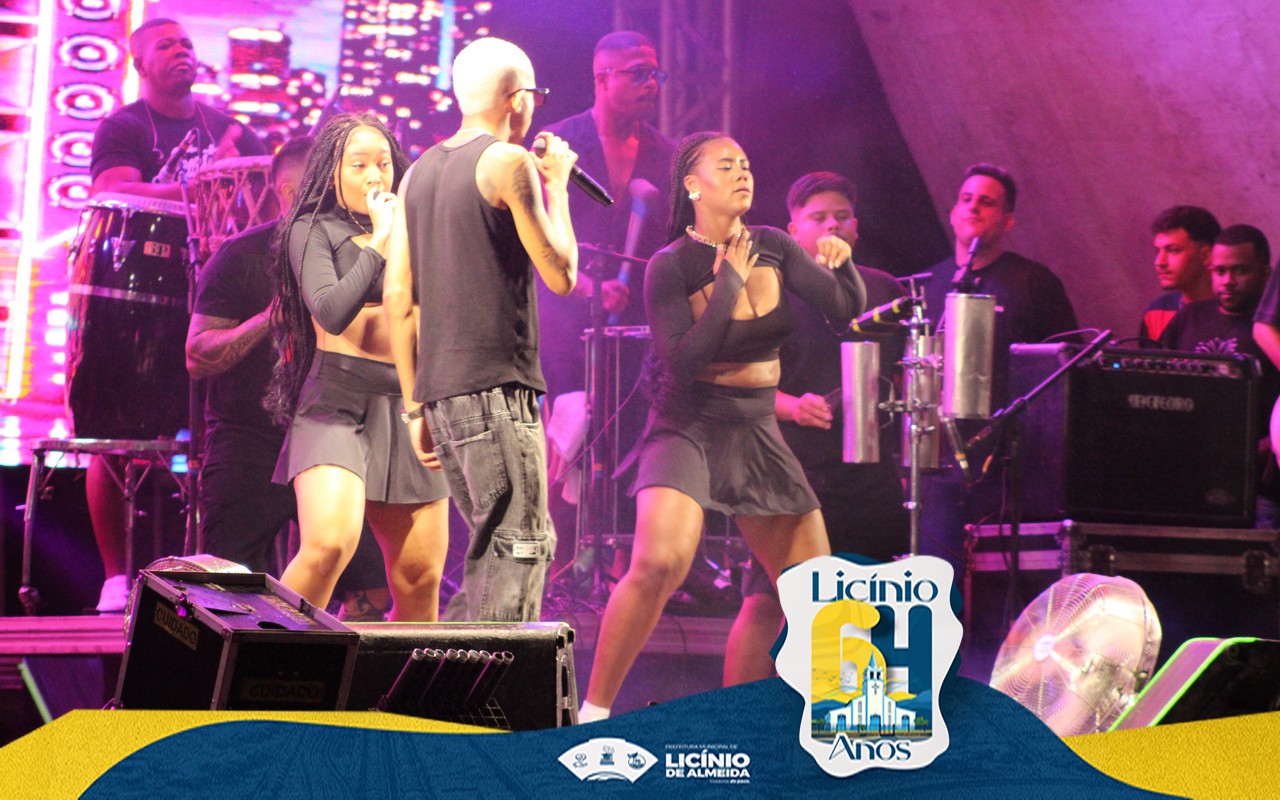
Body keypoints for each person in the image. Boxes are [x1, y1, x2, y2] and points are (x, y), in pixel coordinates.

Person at [578, 133, 867, 721]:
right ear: (692, 185)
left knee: (822, 592)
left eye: (747, 164)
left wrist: (845, 264)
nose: (743, 173)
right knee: (659, 564)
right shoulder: (670, 265)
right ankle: (591, 713)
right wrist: (728, 283)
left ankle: (841, 726)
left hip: (756, 429)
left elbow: (845, 308)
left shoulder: (776, 245)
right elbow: (684, 361)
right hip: (689, 425)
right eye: (727, 165)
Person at [383, 38, 578, 623]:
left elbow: (398, 298)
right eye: (535, 95)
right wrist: (558, 187)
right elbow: (563, 273)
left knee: (496, 551)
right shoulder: (507, 162)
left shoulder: (418, 172)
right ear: (518, 98)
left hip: (443, 392)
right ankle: (482, 680)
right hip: (496, 389)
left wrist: (415, 405)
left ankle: (450, 673)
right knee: (519, 548)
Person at [86, 16, 266, 613]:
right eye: (166, 44)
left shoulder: (226, 126)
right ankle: (115, 579)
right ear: (140, 63)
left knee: (220, 434)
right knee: (116, 436)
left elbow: (256, 193)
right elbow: (114, 190)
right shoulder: (124, 126)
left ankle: (217, 569)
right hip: (138, 296)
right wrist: (203, 187)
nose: (181, 51)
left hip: (213, 293)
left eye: (187, 43)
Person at [185, 137, 391, 618]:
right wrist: (267, 319)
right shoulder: (240, 255)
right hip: (250, 439)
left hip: (333, 435)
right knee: (229, 589)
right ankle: (256, 662)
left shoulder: (359, 252)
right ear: (289, 191)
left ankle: (324, 663)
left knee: (372, 590)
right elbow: (197, 356)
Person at [723, 171, 909, 685]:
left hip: (868, 474)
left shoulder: (884, 290)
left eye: (842, 217)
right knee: (770, 599)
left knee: (871, 598)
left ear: (856, 228)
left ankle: (848, 710)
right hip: (790, 467)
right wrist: (792, 407)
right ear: (793, 230)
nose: (832, 226)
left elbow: (904, 375)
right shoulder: (768, 290)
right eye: (819, 217)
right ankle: (735, 718)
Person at [264, 112, 449, 621]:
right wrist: (381, 239)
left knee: (420, 576)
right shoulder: (311, 229)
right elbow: (331, 310)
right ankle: (262, 658)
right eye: (359, 164)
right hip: (336, 402)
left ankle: (398, 676)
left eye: (384, 163)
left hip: (408, 404)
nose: (375, 175)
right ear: (332, 172)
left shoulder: (417, 227)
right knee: (328, 545)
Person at [537, 30, 676, 595]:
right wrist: (587, 288)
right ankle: (548, 573)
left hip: (636, 328)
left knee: (627, 446)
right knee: (563, 445)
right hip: (562, 326)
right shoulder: (556, 146)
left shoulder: (667, 154)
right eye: (638, 72)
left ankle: (619, 578)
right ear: (602, 78)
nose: (651, 83)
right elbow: (534, 238)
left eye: (655, 73)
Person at [919, 163, 1078, 578]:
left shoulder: (1033, 282)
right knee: (937, 581)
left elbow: (1065, 369)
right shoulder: (931, 282)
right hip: (939, 465)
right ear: (953, 212)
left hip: (1010, 465)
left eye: (987, 202)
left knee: (1002, 580)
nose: (973, 207)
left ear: (1008, 221)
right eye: (966, 199)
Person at [1162, 224, 1279, 526]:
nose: (1228, 281)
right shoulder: (1189, 318)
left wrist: (1268, 444)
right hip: (1188, 478)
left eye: (1241, 271)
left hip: (1256, 487)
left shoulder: (1273, 332)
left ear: (1266, 274)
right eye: (1219, 271)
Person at [1139, 206, 1221, 344]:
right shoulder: (1157, 313)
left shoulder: (1239, 311)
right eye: (1157, 251)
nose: (1159, 262)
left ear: (1206, 255)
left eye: (1173, 250)